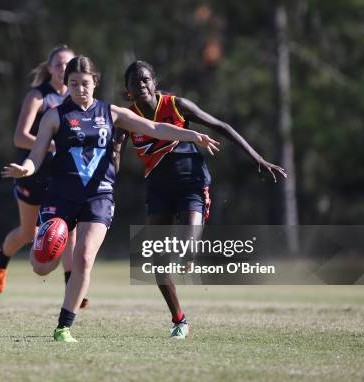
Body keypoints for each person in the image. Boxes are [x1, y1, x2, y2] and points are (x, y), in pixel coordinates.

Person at [2, 56, 220, 342]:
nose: (80, 89)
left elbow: (154, 128)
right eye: (73, 84)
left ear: (96, 83)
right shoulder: (55, 115)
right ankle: (40, 249)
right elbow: (36, 154)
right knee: (42, 265)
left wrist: (192, 134)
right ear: (66, 85)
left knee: (83, 259)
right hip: (62, 196)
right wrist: (24, 169)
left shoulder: (111, 112)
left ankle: (63, 327)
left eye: (85, 83)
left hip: (99, 197)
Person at [121, 60, 286, 339]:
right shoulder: (127, 118)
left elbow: (221, 126)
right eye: (135, 82)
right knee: (156, 260)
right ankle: (179, 320)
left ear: (155, 82)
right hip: (158, 189)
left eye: (146, 79)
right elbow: (112, 154)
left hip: (191, 184)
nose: (141, 85)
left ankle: (187, 257)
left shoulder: (177, 105)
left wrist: (257, 157)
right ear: (128, 91)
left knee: (188, 249)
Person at [0, 45, 87, 304]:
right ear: (49, 68)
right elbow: (19, 137)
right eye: (58, 64)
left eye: (68, 64)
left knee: (69, 231)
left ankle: (72, 287)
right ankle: (1, 261)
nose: (63, 69)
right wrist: (51, 145)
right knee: (28, 233)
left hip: (63, 177)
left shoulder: (78, 99)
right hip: (32, 173)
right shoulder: (38, 96)